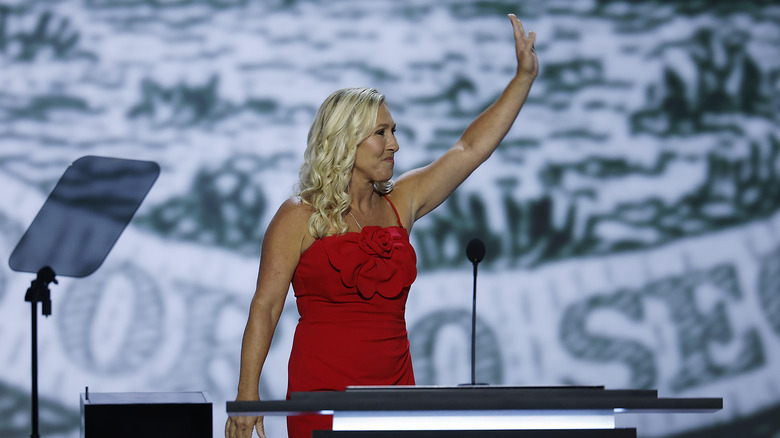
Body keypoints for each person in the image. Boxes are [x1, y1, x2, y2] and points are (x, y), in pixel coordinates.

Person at [225, 13, 538, 438]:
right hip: (321, 393)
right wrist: (247, 394)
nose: (394, 143)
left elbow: (468, 149)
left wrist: (523, 78)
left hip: (394, 393)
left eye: (394, 130)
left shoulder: (400, 203)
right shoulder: (299, 215)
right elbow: (265, 306)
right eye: (381, 132)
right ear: (345, 141)